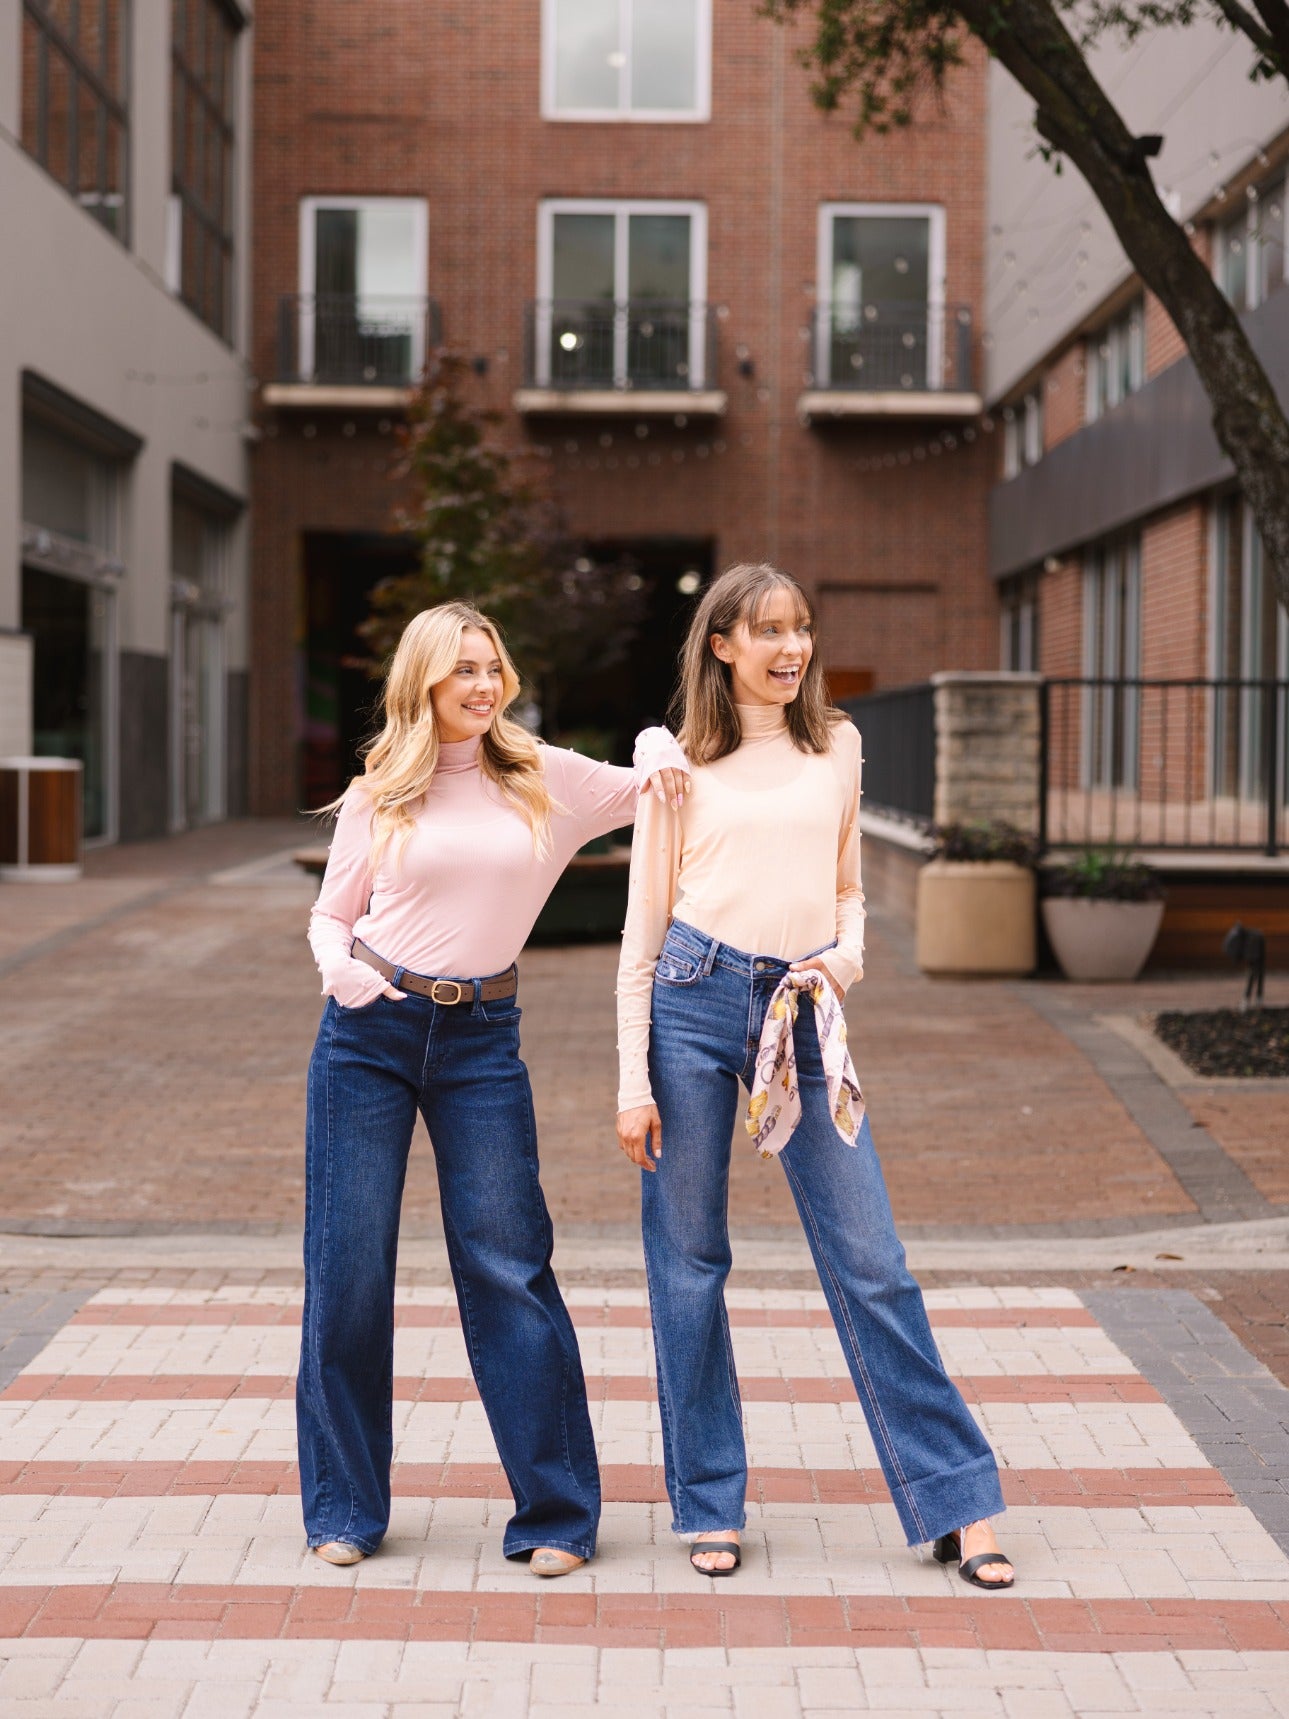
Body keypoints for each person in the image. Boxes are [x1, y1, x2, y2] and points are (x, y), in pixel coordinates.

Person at [615, 563, 1014, 1587]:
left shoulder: (835, 744)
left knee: (872, 1259)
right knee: (690, 1263)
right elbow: (639, 938)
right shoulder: (676, 768)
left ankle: (958, 1502)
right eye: (765, 632)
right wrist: (630, 1080)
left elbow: (846, 888)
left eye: (798, 629)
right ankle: (708, 1504)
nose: (788, 649)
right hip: (691, 998)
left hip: (801, 1009)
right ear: (720, 646)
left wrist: (842, 960)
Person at [299, 599, 689, 1576]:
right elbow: (328, 914)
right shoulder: (377, 792)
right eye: (460, 669)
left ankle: (556, 1514)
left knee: (507, 1264)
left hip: (480, 1039)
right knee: (347, 1270)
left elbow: (656, 786)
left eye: (490, 667)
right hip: (368, 1034)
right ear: (421, 682)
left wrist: (652, 733)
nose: (480, 685)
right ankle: (344, 1506)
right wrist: (345, 977)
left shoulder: (540, 778)